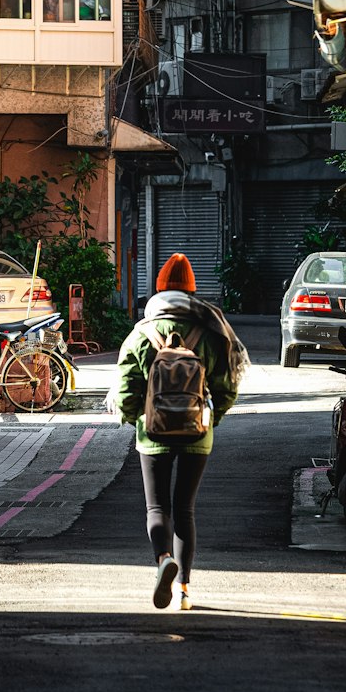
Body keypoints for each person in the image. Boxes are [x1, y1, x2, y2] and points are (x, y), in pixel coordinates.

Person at [110, 253, 250, 612]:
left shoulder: (142, 333)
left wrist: (136, 419)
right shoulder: (211, 329)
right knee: (185, 508)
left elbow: (127, 391)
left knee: (157, 506)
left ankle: (162, 560)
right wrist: (209, 421)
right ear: (192, 291)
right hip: (196, 434)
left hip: (153, 434)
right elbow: (227, 387)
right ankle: (185, 590)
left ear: (158, 290)